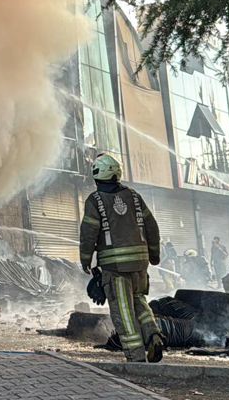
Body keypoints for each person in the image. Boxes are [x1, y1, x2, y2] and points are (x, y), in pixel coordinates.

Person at [79, 153, 164, 363]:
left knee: (123, 310)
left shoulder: (95, 200)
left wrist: (85, 259)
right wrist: (154, 255)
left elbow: (89, 231)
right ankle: (154, 335)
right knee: (139, 302)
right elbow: (151, 226)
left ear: (98, 175)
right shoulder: (134, 196)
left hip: (114, 267)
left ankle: (136, 357)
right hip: (140, 265)